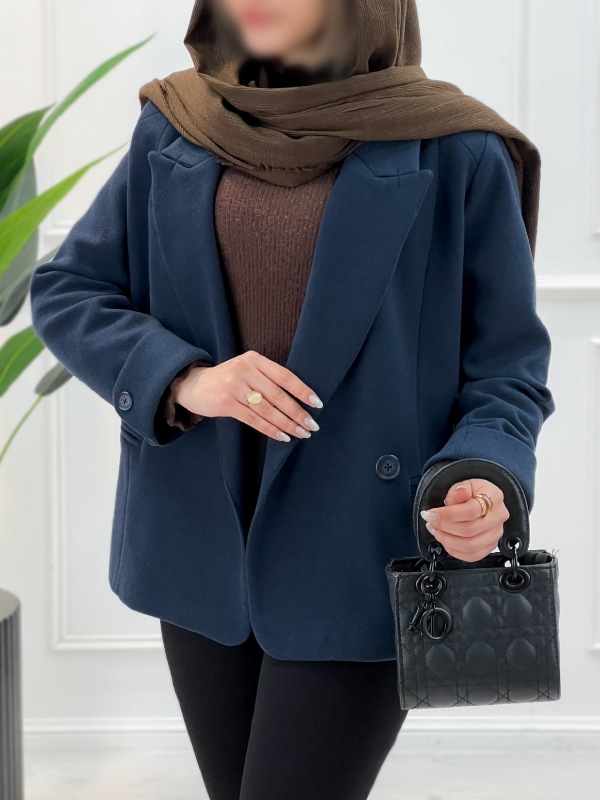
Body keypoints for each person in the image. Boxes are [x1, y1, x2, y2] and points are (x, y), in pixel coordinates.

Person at [29, 1, 556, 798]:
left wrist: (483, 476)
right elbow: (70, 288)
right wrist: (184, 378)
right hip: (200, 545)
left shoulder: (456, 150)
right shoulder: (178, 123)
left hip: (360, 551)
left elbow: (507, 368)